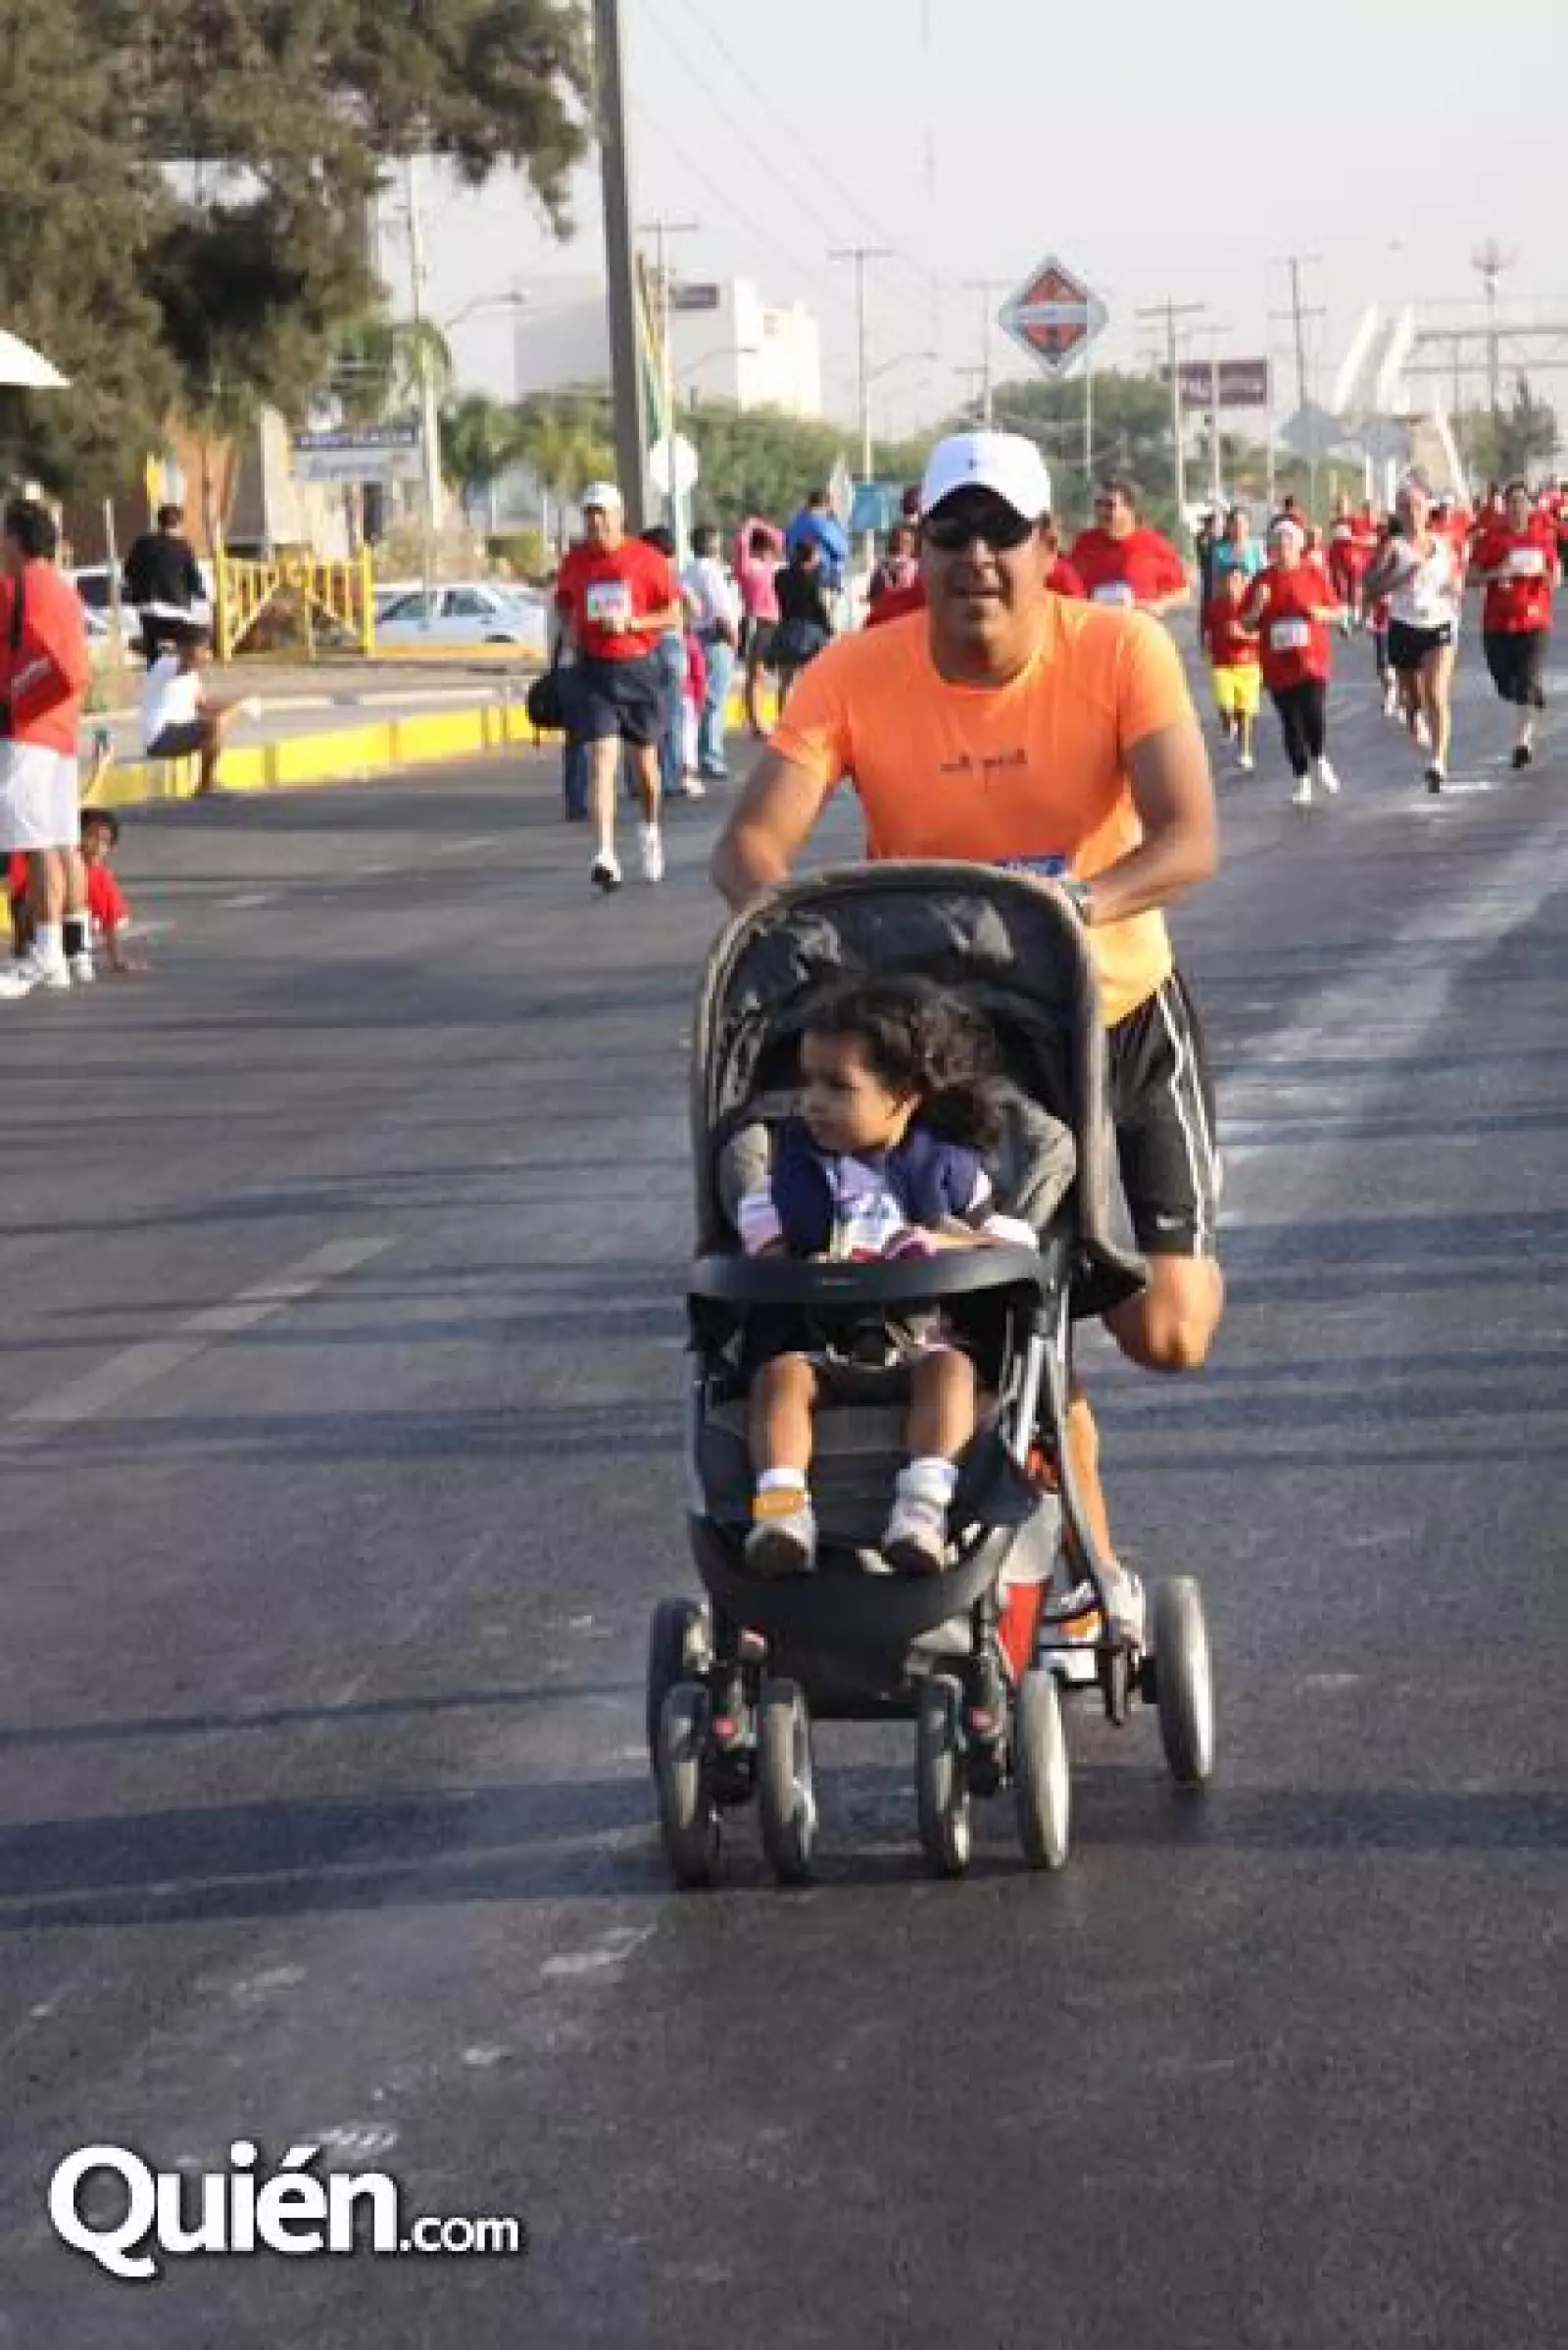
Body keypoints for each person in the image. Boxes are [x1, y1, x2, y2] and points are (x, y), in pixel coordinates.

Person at [712, 428, 1223, 1658]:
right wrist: (809, 938)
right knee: (1018, 1310)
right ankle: (1079, 1574)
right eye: (952, 533)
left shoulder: (1120, 651)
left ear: (1049, 548)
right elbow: (747, 848)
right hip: (949, 1055)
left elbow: (1189, 835)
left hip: (1110, 1017)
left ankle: (1055, 1492)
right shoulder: (853, 671)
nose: (977, 558)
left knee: (1167, 1329)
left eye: (1004, 533)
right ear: (917, 547)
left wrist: (1058, 909)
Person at [738, 975, 1034, 1579]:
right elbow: (758, 1234)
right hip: (819, 1342)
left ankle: (922, 1507)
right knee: (779, 1379)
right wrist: (788, 1264)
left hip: (922, 1339)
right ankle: (782, 1512)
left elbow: (1015, 1240)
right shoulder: (790, 1168)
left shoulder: (948, 1170)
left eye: (838, 1088)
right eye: (808, 1083)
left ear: (904, 1097)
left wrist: (949, 1243)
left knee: (953, 1373)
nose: (812, 1102)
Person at [555, 482, 683, 891]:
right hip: (595, 670)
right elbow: (564, 602)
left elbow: (675, 614)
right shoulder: (575, 560)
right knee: (602, 759)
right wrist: (571, 629)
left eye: (602, 514)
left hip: (638, 668)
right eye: (589, 514)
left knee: (644, 765)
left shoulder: (646, 560)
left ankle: (649, 829)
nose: (595, 522)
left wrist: (632, 624)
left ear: (619, 515)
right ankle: (605, 853)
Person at [0, 499, 93, 1000]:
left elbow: (35, 650)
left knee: (33, 842)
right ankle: (65, 954)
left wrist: (17, 694)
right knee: (59, 840)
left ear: (16, 538)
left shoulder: (23, 587)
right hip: (60, 729)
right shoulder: (63, 589)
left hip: (28, 726)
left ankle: (43, 954)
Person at [1363, 480, 1463, 792]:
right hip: (1404, 625)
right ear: (1398, 512)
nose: (1412, 512)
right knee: (1414, 698)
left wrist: (1455, 589)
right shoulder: (1393, 547)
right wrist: (1398, 578)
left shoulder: (1444, 543)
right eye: (1405, 507)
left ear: (1428, 509)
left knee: (1436, 693)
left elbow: (1456, 579)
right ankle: (1413, 717)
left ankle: (1438, 761)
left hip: (1440, 625)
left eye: (1417, 506)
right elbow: (1371, 588)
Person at [1243, 519, 1344, 808]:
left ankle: (1320, 757)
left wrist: (1318, 613)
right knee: (1290, 722)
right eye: (1277, 544)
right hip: (1277, 662)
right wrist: (1258, 607)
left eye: (1288, 543)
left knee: (1313, 713)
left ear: (1299, 546)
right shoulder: (1261, 581)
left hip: (1312, 659)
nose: (1282, 548)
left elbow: (1337, 612)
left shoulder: (1314, 574)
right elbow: (1247, 624)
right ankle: (1302, 780)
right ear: (1270, 549)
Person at [1471, 479, 1560, 768]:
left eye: (1523, 502)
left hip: (1535, 621)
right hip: (1497, 624)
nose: (1518, 508)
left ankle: (1523, 743)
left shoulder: (1542, 536)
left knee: (1526, 682)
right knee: (1506, 686)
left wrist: (1549, 576)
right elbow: (1471, 577)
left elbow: (1554, 572)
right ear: (1505, 507)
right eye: (1512, 503)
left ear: (1530, 506)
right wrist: (1499, 572)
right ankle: (1531, 692)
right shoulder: (1493, 538)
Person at [140, 625, 253, 795]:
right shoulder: (168, 665)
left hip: (178, 732)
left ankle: (209, 781)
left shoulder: (191, 675)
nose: (206, 656)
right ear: (187, 650)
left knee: (218, 721)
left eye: (207, 650)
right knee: (215, 724)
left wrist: (239, 704)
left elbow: (203, 704)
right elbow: (184, 662)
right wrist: (234, 711)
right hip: (160, 738)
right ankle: (205, 786)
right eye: (203, 650)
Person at [1069, 480, 1189, 615]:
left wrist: (1160, 604)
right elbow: (1067, 586)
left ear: (1130, 509)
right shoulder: (1084, 543)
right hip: (1095, 629)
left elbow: (1182, 591)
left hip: (1137, 630)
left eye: (1110, 505)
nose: (1102, 511)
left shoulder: (1153, 544)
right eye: (1098, 504)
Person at [681, 523, 743, 785]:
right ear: (713, 543)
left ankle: (698, 754)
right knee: (714, 700)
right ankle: (711, 756)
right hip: (715, 638)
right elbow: (720, 611)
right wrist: (733, 639)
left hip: (697, 636)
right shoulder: (711, 572)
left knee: (702, 699)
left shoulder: (689, 571)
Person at [640, 524, 691, 804]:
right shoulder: (669, 576)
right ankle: (669, 778)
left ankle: (639, 779)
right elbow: (693, 608)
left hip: (642, 648)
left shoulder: (636, 574)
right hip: (669, 646)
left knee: (641, 716)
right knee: (671, 716)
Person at [122, 504, 206, 663]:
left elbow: (128, 571)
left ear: (159, 522)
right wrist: (196, 593)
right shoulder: (183, 547)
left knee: (152, 648)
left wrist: (137, 591)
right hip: (176, 607)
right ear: (179, 523)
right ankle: (176, 676)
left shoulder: (142, 544)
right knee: (180, 650)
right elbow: (193, 579)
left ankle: (154, 671)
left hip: (147, 606)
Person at [1201, 563, 1262, 771]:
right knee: (1225, 706)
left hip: (1249, 664)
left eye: (1237, 580)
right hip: (1222, 665)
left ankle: (1245, 753)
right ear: (1220, 583)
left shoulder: (1253, 607)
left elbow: (1264, 635)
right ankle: (1229, 726)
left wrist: (1244, 635)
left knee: (1245, 711)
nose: (1232, 585)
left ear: (1246, 583)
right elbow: (1206, 632)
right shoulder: (1213, 607)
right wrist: (1207, 650)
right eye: (1228, 580)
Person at [734, 519, 783, 737]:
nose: (771, 553)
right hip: (756, 621)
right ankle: (755, 720)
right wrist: (750, 525)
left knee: (761, 675)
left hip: (772, 622)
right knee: (756, 673)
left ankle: (756, 718)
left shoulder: (769, 566)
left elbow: (779, 536)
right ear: (757, 548)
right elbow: (741, 542)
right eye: (767, 549)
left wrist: (762, 525)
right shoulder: (747, 567)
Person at [771, 537, 835, 704]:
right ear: (812, 556)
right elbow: (819, 606)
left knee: (785, 682)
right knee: (814, 680)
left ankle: (784, 720)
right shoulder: (811, 579)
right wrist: (830, 629)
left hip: (786, 628)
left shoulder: (780, 576)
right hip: (809, 631)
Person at [784, 488, 849, 597]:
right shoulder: (823, 523)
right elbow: (842, 549)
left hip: (796, 579)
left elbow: (787, 549)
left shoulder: (794, 524)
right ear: (826, 505)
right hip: (823, 580)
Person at [1326, 493, 1376, 632]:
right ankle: (1344, 622)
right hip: (1337, 560)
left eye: (1345, 506)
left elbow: (1370, 537)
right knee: (1341, 590)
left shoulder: (1356, 520)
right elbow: (1343, 537)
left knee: (1354, 589)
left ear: (1349, 506)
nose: (1342, 509)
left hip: (1353, 560)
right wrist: (1361, 541)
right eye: (1340, 506)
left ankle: (1357, 618)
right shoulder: (1336, 522)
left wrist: (1361, 540)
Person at [867, 522, 919, 609]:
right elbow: (873, 598)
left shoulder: (918, 569)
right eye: (898, 541)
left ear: (912, 547)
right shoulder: (881, 569)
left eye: (906, 542)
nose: (900, 546)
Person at [1210, 506, 1263, 590]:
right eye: (1235, 523)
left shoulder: (1256, 548)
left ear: (1248, 525)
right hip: (1227, 597)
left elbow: (1263, 578)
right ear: (1229, 526)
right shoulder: (1219, 550)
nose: (1239, 527)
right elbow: (1215, 581)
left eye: (1242, 523)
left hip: (1250, 596)